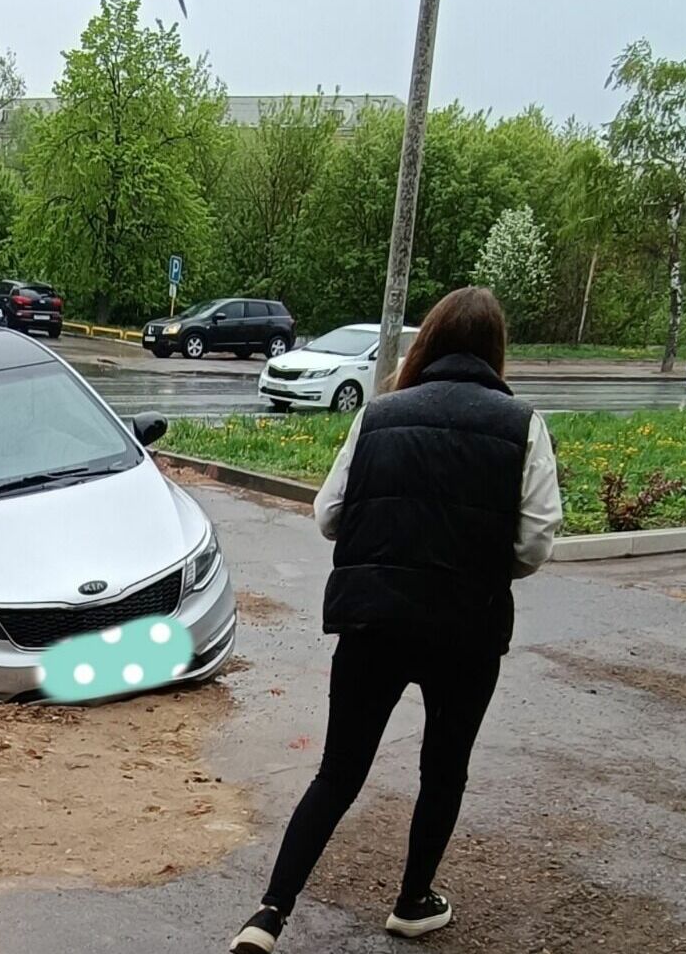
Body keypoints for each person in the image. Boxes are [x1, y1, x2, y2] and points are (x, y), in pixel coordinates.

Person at [228, 287, 563, 952]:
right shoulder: (523, 425)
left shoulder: (379, 415)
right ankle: (412, 901)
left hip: (372, 621)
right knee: (443, 771)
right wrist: (478, 563)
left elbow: (329, 514)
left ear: (428, 341)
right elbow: (534, 543)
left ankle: (268, 915)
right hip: (467, 629)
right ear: (496, 351)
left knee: (337, 773)